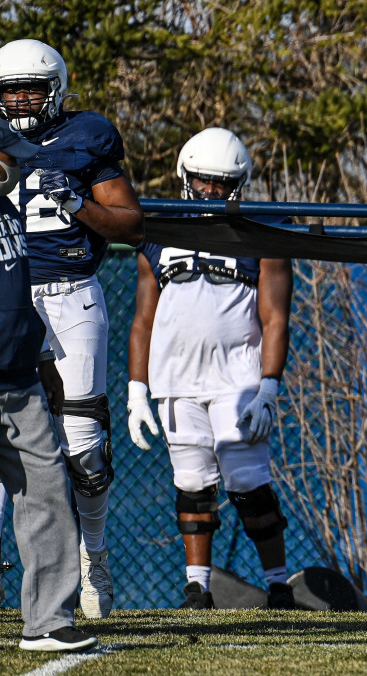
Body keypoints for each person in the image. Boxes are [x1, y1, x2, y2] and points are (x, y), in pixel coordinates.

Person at [0, 38, 144, 618]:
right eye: (7, 91)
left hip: (67, 292)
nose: (17, 101)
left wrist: (79, 207)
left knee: (82, 444)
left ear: (55, 89)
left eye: (28, 89)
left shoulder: (86, 136)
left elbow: (133, 225)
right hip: (6, 290)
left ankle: (95, 558)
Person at [126, 127, 296, 610]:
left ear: (238, 183)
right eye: (203, 181)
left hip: (237, 378)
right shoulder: (159, 230)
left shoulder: (261, 227)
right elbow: (143, 319)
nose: (211, 191)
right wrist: (137, 389)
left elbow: (274, 316)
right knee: (192, 481)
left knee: (247, 481)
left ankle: (279, 586)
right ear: (186, 176)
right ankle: (197, 588)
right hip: (176, 377)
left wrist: (268, 387)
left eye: (221, 183)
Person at [0, 124, 97, 651]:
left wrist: (42, 360)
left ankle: (48, 621)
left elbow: (16, 295)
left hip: (18, 381)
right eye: (7, 156)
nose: (15, 168)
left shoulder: (7, 212)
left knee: (47, 494)